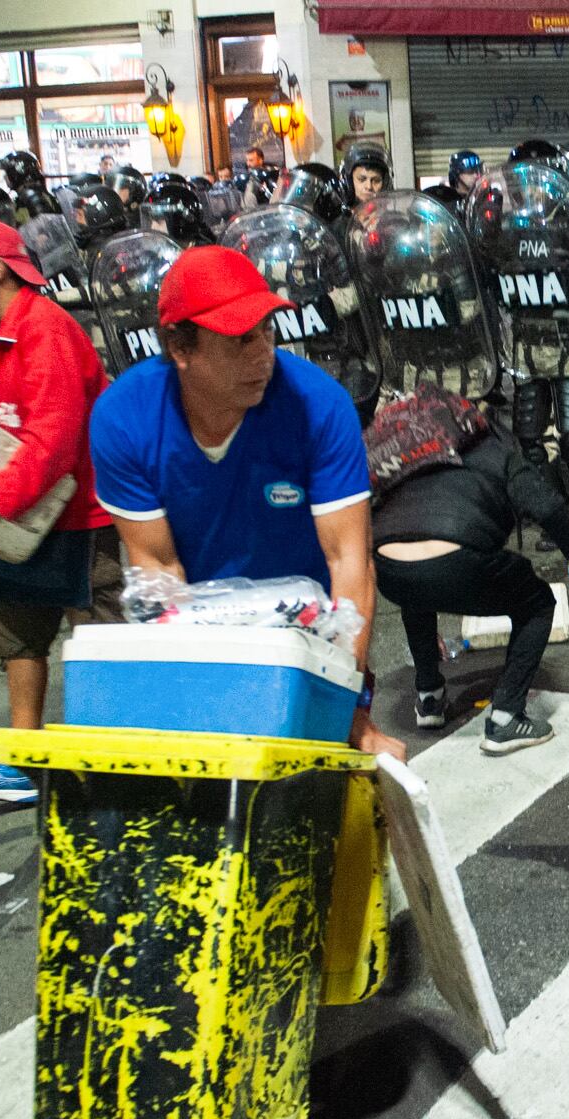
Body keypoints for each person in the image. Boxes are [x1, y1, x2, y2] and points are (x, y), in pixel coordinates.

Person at [86, 245, 404, 760]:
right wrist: (198, 705)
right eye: (239, 340)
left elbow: (349, 564)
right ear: (179, 347)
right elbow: (159, 570)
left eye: (268, 332)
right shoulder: (124, 418)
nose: (263, 354)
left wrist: (348, 707)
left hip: (314, 640)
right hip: (204, 640)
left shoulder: (319, 406)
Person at [0, 220, 120, 805]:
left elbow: (57, 439)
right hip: (21, 512)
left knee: (99, 639)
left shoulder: (46, 330)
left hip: (79, 515)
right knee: (14, 631)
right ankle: (25, 762)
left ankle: (108, 762)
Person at [368, 387, 569, 753]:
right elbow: (546, 506)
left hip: (389, 568)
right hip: (458, 561)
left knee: (418, 592)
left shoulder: (405, 447)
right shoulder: (493, 445)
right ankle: (506, 717)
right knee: (537, 602)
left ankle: (428, 696)